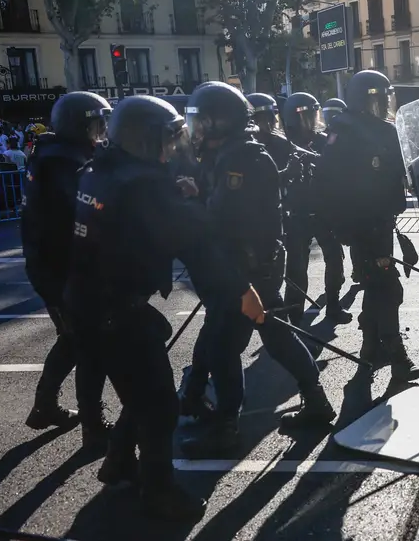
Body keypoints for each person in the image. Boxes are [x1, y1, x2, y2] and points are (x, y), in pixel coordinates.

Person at [63, 94, 266, 520]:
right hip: (117, 311)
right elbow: (194, 241)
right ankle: (159, 493)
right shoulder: (144, 184)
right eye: (167, 138)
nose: (173, 147)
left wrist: (173, 196)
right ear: (143, 138)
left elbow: (142, 214)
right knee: (159, 405)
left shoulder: (103, 168)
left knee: (140, 394)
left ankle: (119, 463)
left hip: (86, 303)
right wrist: (241, 289)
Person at [179, 83, 338, 457]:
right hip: (251, 266)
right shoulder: (232, 156)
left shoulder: (241, 162)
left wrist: (192, 204)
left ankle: (226, 427)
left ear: (219, 123)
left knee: (223, 347)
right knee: (276, 336)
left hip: (245, 270)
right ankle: (316, 402)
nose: (195, 131)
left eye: (200, 123)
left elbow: (224, 222)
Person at [20, 92, 113, 449]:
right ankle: (93, 425)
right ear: (79, 124)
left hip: (55, 266)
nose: (102, 127)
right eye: (96, 121)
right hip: (61, 270)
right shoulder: (63, 162)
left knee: (74, 339)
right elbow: (87, 211)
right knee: (90, 344)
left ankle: (45, 406)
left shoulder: (58, 152)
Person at [321, 69, 419, 385]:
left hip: (372, 224)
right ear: (369, 100)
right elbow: (336, 184)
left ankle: (369, 351)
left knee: (374, 286)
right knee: (388, 288)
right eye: (381, 98)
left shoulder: (359, 129)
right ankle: (397, 358)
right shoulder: (359, 131)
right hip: (367, 225)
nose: (385, 104)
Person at [280, 92, 352, 325]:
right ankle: (295, 314)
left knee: (335, 258)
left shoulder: (323, 140)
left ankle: (333, 305)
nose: (312, 121)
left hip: (323, 210)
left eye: (314, 114)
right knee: (297, 268)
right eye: (307, 116)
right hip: (297, 213)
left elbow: (337, 167)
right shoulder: (282, 145)